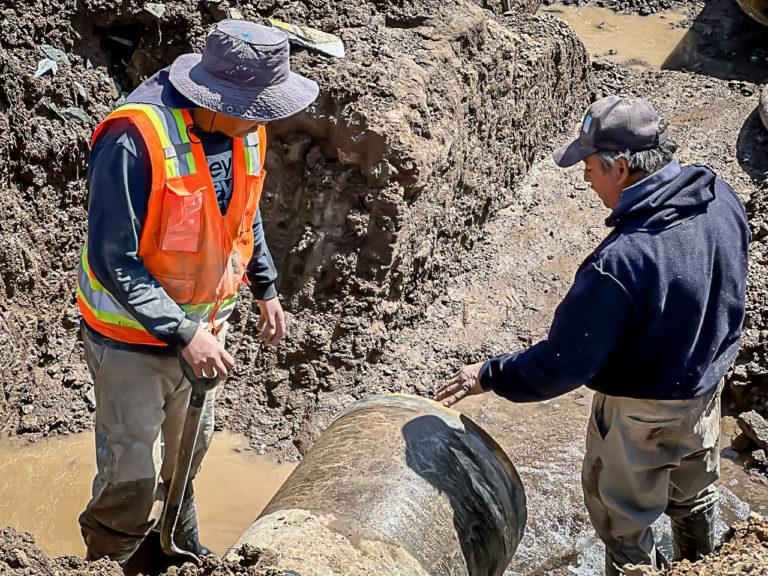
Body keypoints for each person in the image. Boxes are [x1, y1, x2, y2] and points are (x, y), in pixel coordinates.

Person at [434, 96, 750, 575]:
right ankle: (705, 565)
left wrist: (490, 374)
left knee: (625, 527)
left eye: (588, 165)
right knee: (694, 493)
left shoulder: (621, 262)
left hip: (640, 414)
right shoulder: (720, 198)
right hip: (705, 393)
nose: (584, 177)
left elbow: (563, 364)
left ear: (620, 168)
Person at [76, 20, 318, 564]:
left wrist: (267, 287)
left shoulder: (245, 130)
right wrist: (182, 332)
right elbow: (113, 257)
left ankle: (172, 548)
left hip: (204, 331)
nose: (265, 118)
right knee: (130, 478)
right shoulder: (134, 140)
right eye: (257, 106)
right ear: (220, 95)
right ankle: (106, 560)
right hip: (131, 342)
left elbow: (241, 216)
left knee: (189, 453)